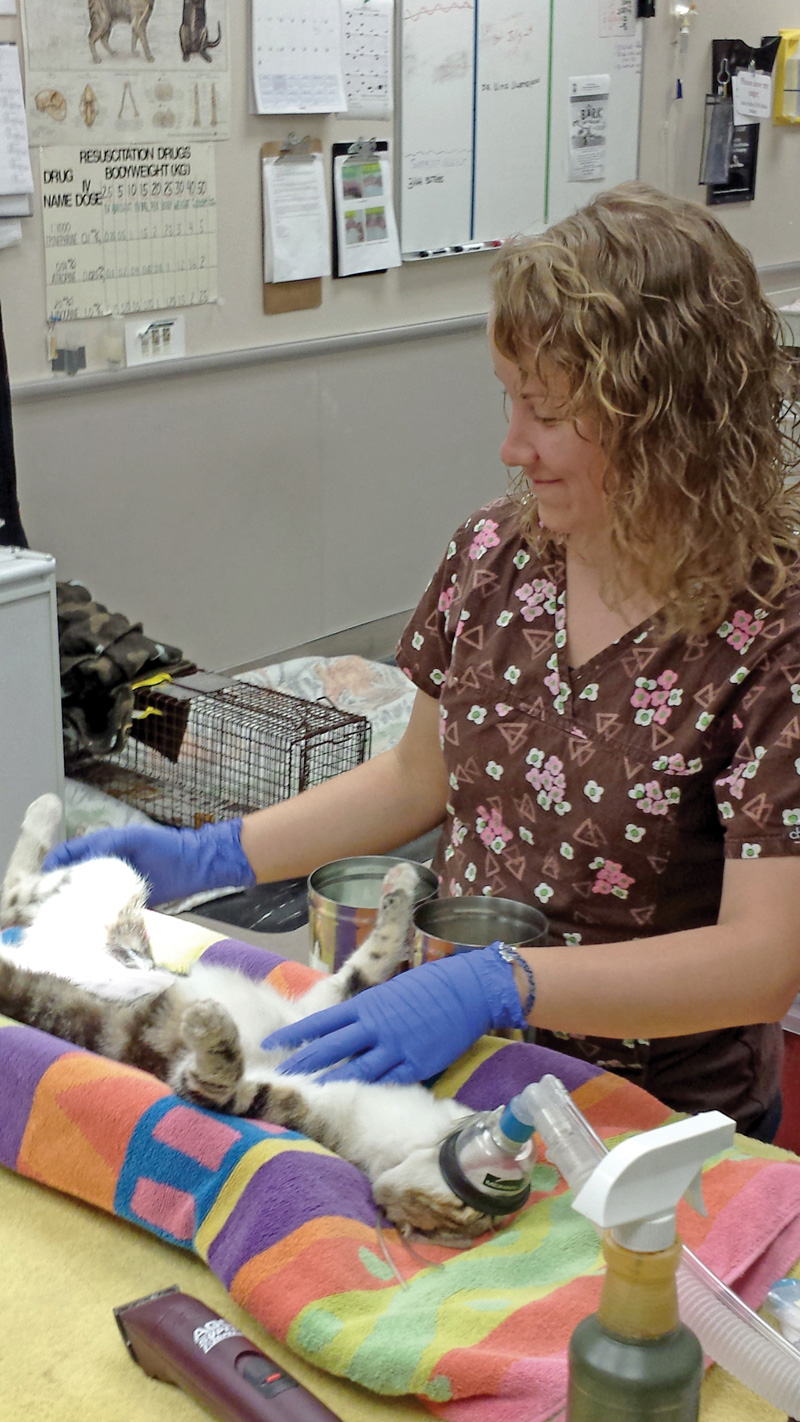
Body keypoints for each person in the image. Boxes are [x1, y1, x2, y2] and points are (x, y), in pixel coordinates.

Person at [46, 183, 800, 1140]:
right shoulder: (498, 557)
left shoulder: (772, 631)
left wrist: (506, 982)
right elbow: (418, 777)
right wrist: (211, 855)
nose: (512, 446)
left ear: (669, 419)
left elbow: (765, 958)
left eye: (549, 412)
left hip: (660, 1119)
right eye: (508, 401)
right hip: (469, 1075)